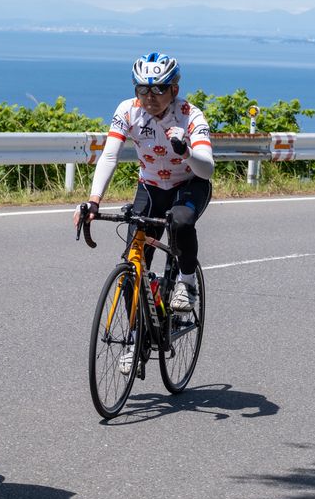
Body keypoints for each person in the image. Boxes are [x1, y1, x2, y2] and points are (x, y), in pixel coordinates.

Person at [74, 52, 213, 361]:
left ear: (174, 90)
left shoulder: (191, 115)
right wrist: (94, 200)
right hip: (150, 187)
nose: (150, 97)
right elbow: (109, 156)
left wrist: (186, 150)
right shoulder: (127, 111)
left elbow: (207, 169)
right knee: (133, 266)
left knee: (180, 221)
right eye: (143, 90)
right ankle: (138, 336)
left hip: (190, 185)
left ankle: (187, 282)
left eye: (159, 89)